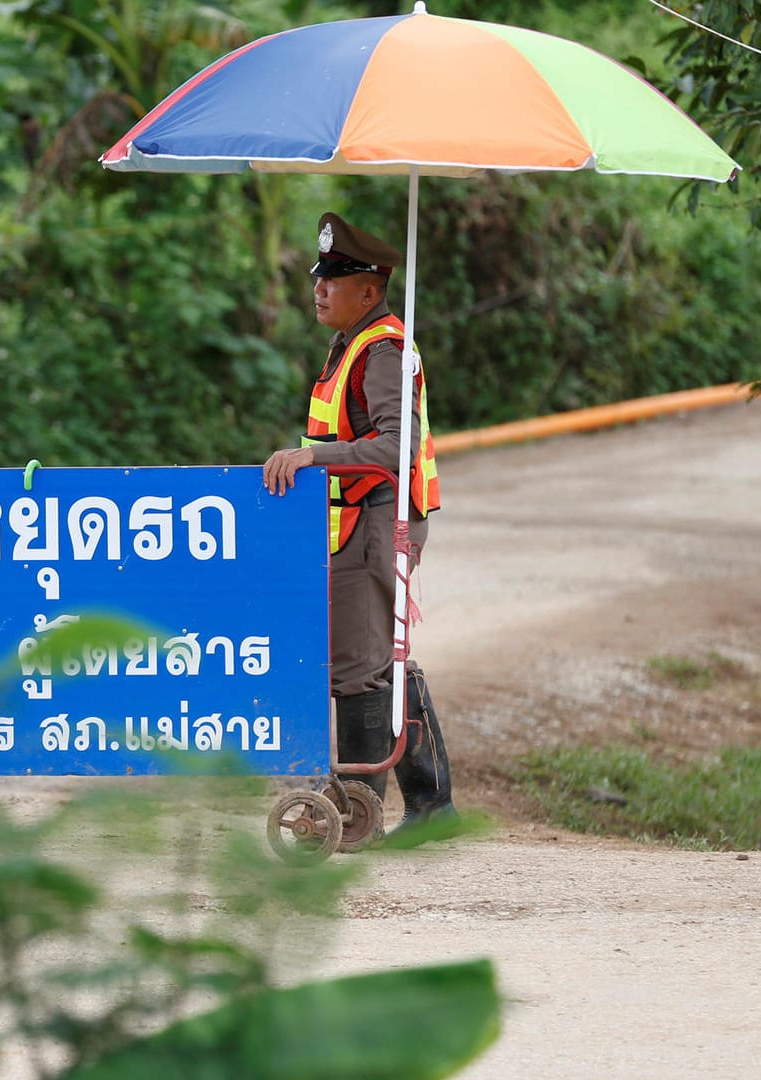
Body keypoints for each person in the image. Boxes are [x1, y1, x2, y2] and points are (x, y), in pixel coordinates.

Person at [262, 212, 454, 836]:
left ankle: (357, 813)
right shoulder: (352, 341)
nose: (319, 288)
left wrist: (314, 457)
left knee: (360, 668)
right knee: (378, 660)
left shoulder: (383, 348)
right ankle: (429, 807)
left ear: (369, 291)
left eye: (335, 278)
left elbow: (396, 445)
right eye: (320, 277)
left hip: (378, 519)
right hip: (356, 519)